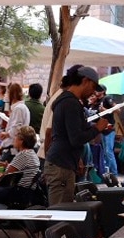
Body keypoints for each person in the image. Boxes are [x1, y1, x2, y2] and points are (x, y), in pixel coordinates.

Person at [43, 65, 110, 205]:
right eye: (93, 87)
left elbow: (69, 134)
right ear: (85, 81)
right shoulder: (70, 103)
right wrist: (97, 128)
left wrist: (77, 158)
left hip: (64, 163)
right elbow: (76, 138)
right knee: (59, 213)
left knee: (63, 210)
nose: (93, 92)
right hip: (61, 165)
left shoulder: (68, 101)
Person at [0, 126, 40, 205]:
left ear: (21, 141)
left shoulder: (22, 155)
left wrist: (0, 173)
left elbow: (5, 179)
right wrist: (7, 166)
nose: (14, 139)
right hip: (27, 191)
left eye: (16, 137)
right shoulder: (32, 154)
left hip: (18, 192)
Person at [0, 82, 29, 152]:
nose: (5, 95)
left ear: (12, 94)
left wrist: (6, 134)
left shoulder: (18, 108)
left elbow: (16, 129)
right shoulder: (20, 107)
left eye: (7, 92)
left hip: (12, 147)